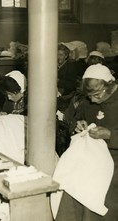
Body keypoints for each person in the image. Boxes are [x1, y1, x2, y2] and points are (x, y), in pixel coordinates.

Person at [56, 64, 118, 221]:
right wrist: (78, 125)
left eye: (96, 95)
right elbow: (74, 120)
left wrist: (110, 134)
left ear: (109, 86)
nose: (92, 100)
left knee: (100, 192)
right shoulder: (88, 101)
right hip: (92, 158)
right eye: (89, 96)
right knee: (70, 182)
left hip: (115, 161)